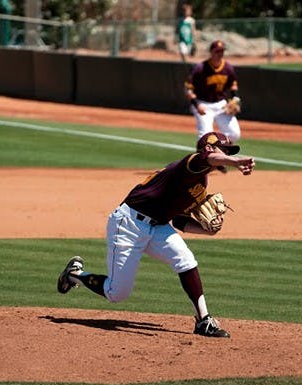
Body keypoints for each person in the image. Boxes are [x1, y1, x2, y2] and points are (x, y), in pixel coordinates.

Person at [57, 132, 255, 338]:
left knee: (186, 260)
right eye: (226, 150)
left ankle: (203, 320)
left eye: (231, 152)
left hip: (158, 226)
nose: (229, 153)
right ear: (209, 148)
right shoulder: (191, 164)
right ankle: (74, 274)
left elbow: (178, 220)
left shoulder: (201, 184)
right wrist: (235, 161)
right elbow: (207, 159)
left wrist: (207, 230)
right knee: (117, 293)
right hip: (128, 224)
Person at [185, 40, 242, 144]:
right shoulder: (200, 68)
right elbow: (188, 89)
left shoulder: (228, 68)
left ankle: (221, 152)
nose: (220, 54)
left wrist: (236, 98)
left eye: (222, 51)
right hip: (203, 104)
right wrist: (196, 105)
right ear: (211, 52)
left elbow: (233, 85)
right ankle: (202, 158)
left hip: (220, 105)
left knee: (234, 134)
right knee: (205, 137)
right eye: (217, 51)